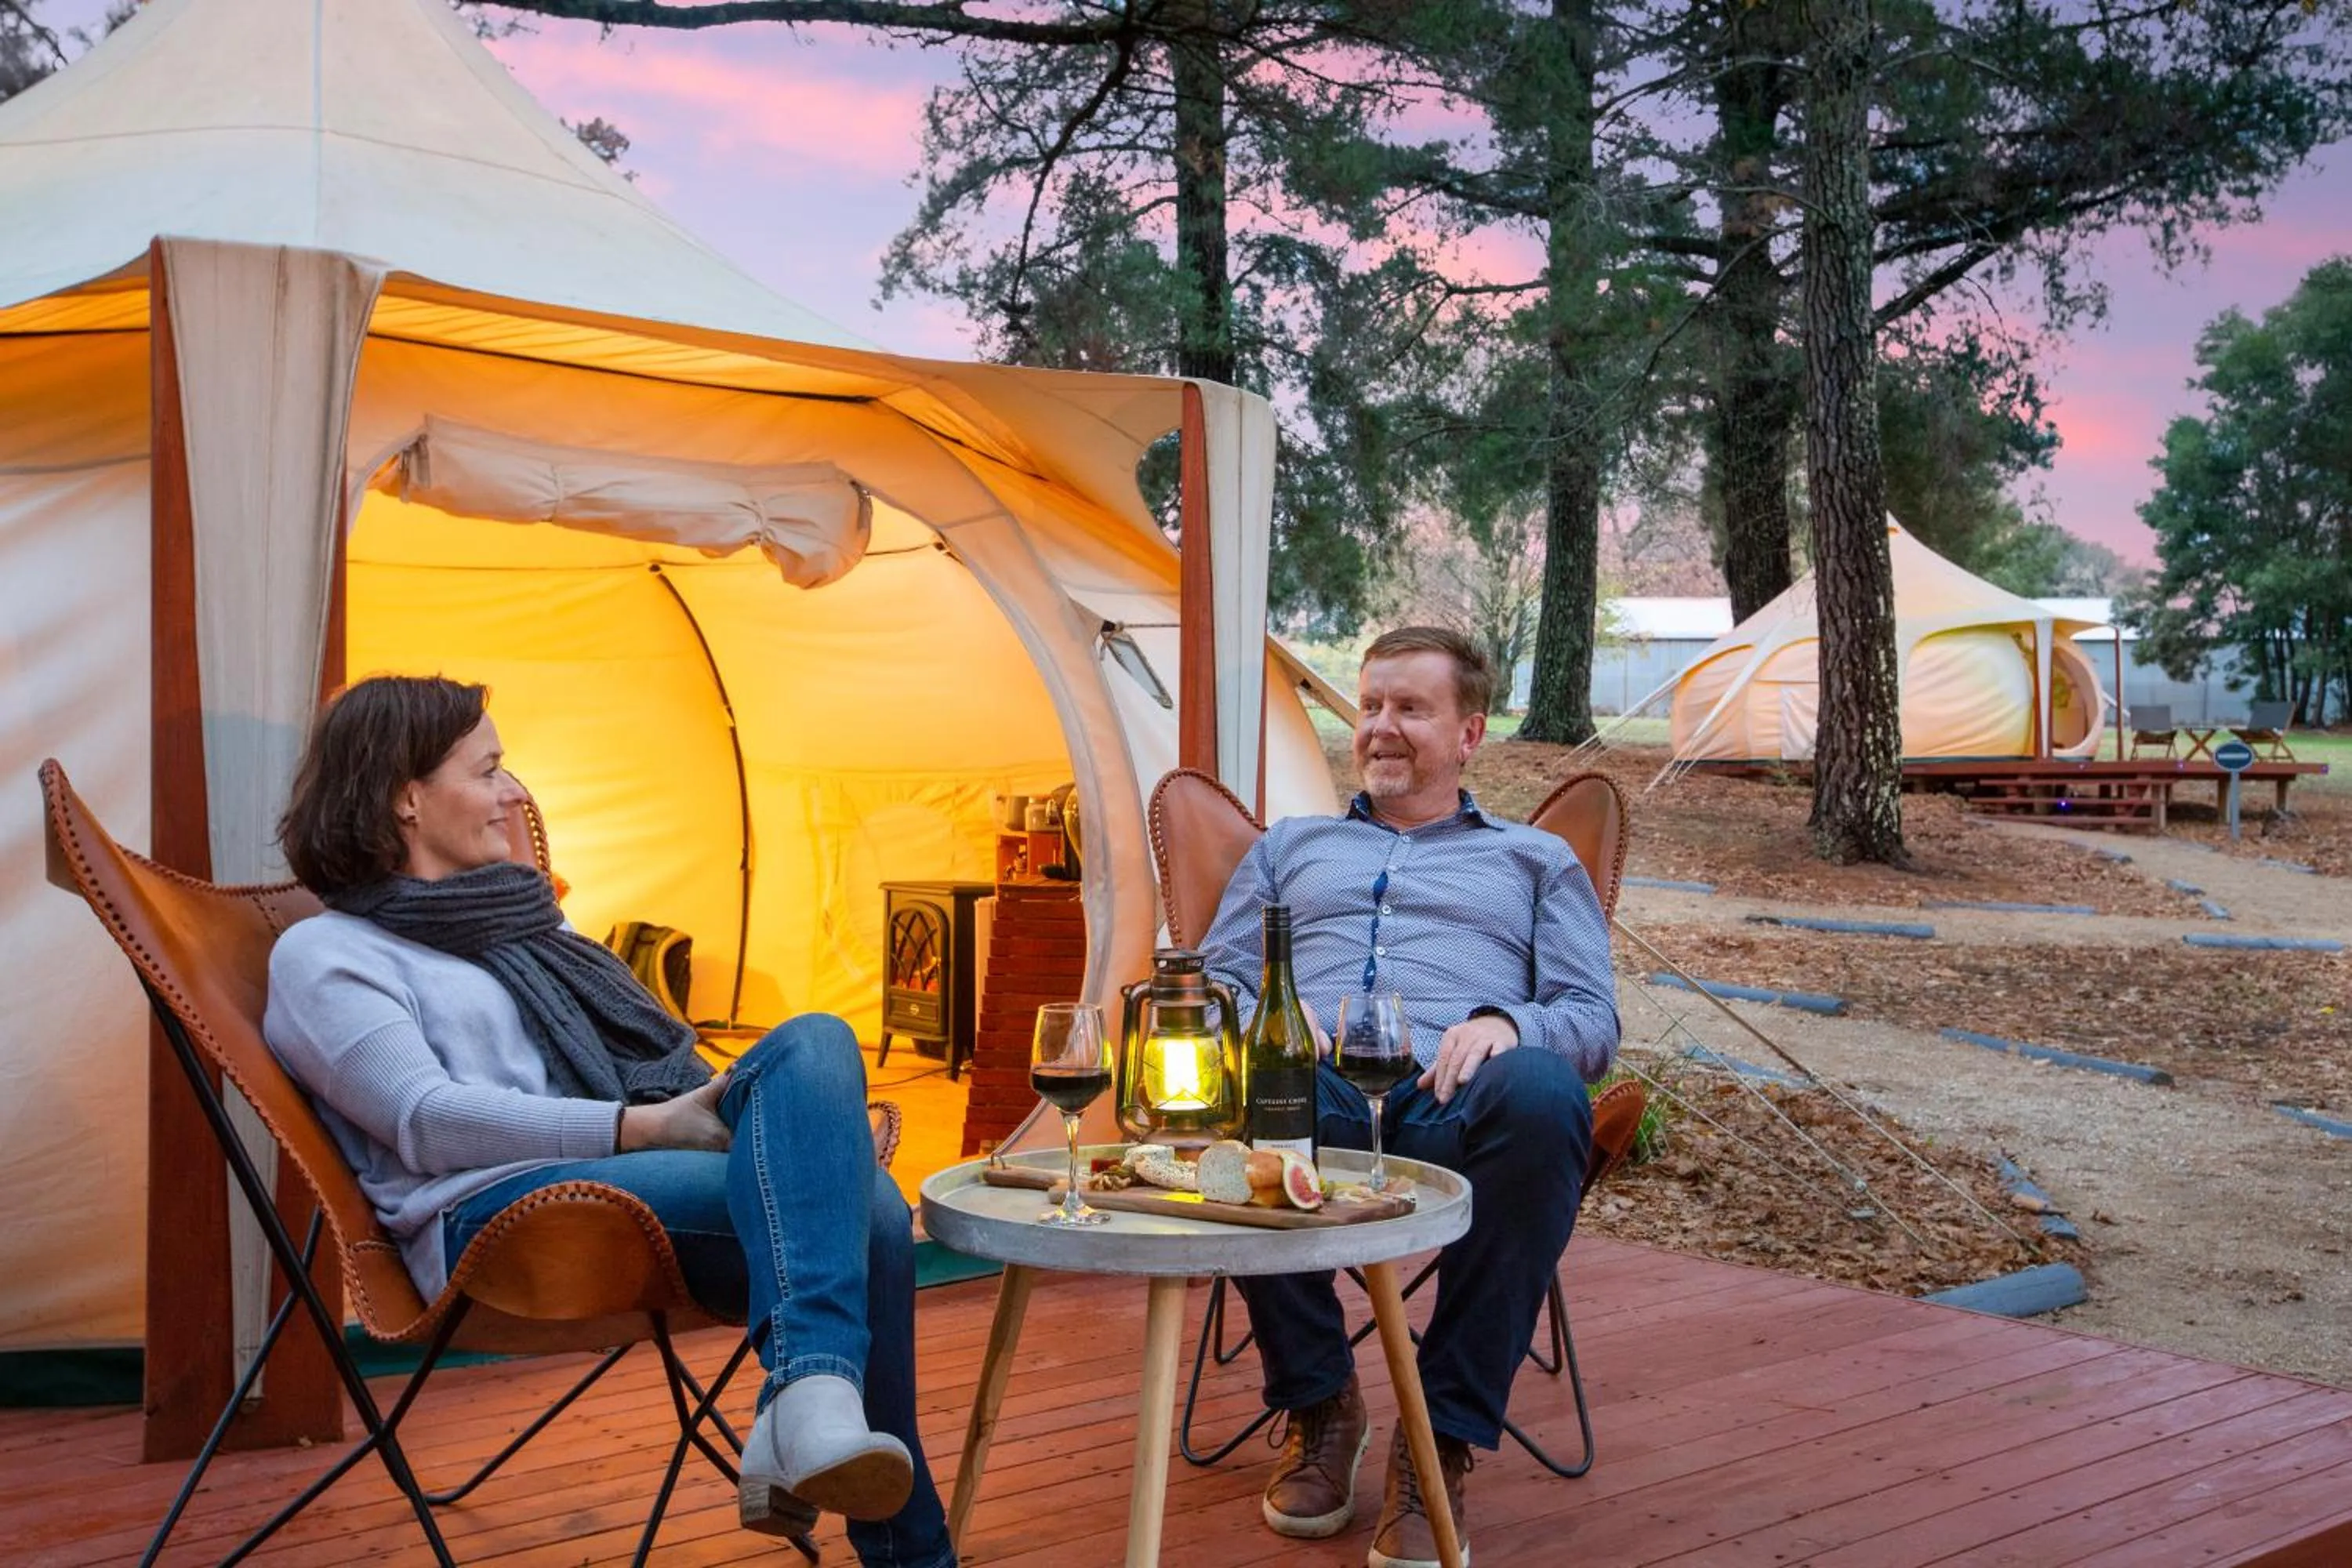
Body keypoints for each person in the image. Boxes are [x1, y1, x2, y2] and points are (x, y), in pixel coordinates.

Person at [262, 675, 954, 1568]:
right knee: (868, 1211)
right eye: (489, 769)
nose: (515, 792)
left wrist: (666, 1119)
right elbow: (423, 1119)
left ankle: (809, 1398)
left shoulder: (513, 923)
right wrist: (639, 1126)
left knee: (815, 1040)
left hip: (611, 1179)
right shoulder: (326, 953)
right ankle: (858, 1478)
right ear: (405, 794)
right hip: (497, 1214)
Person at [1199, 626, 1619, 1568]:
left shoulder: (1534, 860)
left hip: (1453, 1099)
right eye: (1371, 705)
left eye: (1410, 708)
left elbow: (1591, 1016)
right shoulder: (1289, 849)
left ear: (1469, 733)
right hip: (1313, 1092)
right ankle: (1321, 1404)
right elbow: (1216, 982)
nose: (1380, 727)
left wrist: (1512, 1026)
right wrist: (1272, 1010)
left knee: (1547, 1092)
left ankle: (1440, 1444)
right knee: (1256, 1081)